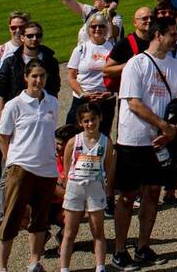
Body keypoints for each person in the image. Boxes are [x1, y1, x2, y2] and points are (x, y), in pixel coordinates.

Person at [113, 13, 177, 267]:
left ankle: (143, 245)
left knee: (153, 191)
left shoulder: (174, 65)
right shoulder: (136, 64)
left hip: (160, 140)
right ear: (158, 35)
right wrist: (162, 125)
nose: (176, 38)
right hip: (134, 139)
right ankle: (120, 249)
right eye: (173, 34)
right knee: (127, 196)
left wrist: (170, 129)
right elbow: (133, 102)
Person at [0, 61, 58, 272]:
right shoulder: (14, 105)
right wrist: (11, 161)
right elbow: (3, 136)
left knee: (40, 219)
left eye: (42, 76)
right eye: (34, 76)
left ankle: (33, 262)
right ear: (26, 77)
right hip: (22, 167)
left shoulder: (52, 102)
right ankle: (2, 267)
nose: (38, 81)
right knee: (11, 217)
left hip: (46, 168)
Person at [57, 101, 114, 272]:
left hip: (95, 188)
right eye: (86, 121)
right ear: (81, 123)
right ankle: (64, 268)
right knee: (69, 232)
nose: (90, 124)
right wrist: (68, 185)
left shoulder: (106, 142)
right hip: (76, 187)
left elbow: (109, 167)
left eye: (93, 119)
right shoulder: (74, 142)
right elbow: (67, 167)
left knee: (98, 231)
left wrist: (108, 190)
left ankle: (100, 266)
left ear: (100, 118)